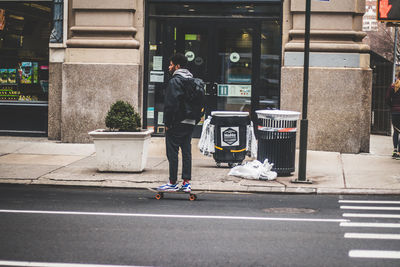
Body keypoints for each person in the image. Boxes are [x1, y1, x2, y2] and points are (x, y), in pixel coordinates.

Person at [158, 53, 196, 192]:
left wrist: (167, 123)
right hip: (190, 122)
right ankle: (186, 182)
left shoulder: (175, 81)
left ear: (177, 66)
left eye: (171, 64)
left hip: (177, 122)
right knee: (186, 151)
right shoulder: (192, 80)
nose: (169, 67)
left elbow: (171, 104)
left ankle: (172, 182)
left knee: (172, 152)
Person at [386, 72, 400, 159]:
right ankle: (399, 152)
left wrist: (392, 107)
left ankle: (395, 150)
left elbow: (387, 98)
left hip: (395, 112)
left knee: (396, 131)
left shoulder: (392, 86)